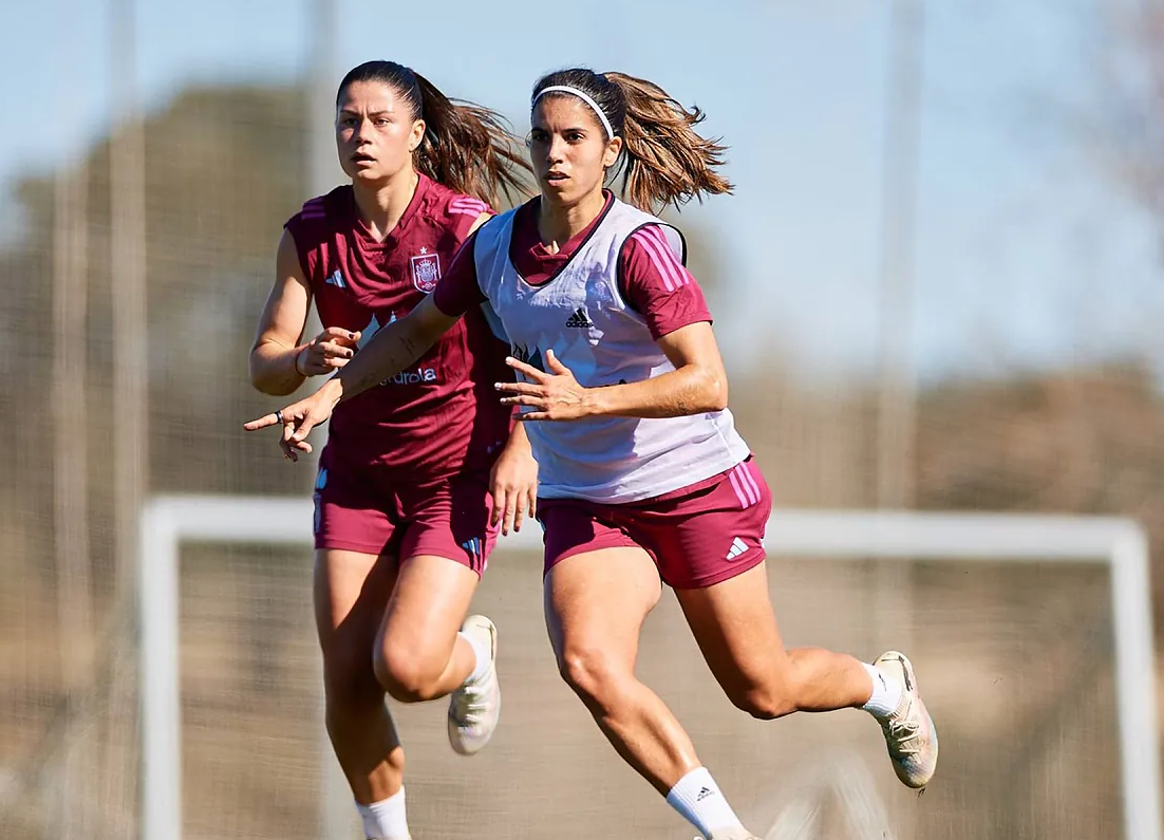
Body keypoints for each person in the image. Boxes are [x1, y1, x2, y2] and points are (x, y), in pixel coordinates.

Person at [248, 67, 937, 840]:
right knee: (589, 665)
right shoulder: (494, 246)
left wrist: (586, 403)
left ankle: (883, 688)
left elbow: (708, 382)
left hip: (693, 485)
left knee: (763, 688)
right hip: (589, 500)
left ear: (609, 150)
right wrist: (331, 390)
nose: (554, 152)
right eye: (542, 136)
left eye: (573, 138)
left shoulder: (637, 249)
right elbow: (411, 333)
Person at [246, 60, 537, 840]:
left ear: (416, 134)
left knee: (405, 669)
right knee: (346, 681)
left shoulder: (466, 229)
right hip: (359, 481)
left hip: (454, 474)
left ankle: (472, 655)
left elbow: (529, 343)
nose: (361, 134)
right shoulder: (311, 233)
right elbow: (265, 361)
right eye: (348, 120)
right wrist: (301, 360)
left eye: (379, 121)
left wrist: (523, 446)